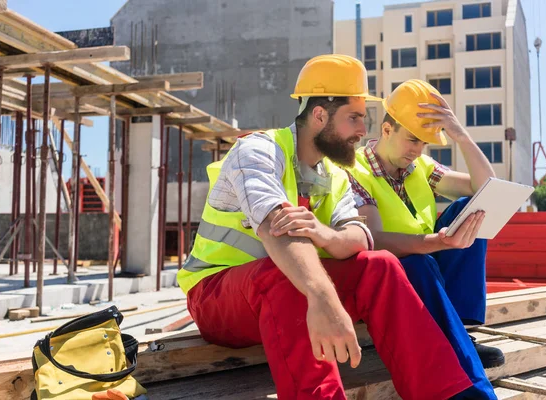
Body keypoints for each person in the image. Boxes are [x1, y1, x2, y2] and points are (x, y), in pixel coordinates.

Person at [177, 56, 485, 399]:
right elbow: (278, 236)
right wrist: (325, 298)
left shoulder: (335, 174)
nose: (362, 131)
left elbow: (359, 239)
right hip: (217, 296)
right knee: (288, 271)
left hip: (286, 292)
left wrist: (325, 235)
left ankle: (449, 395)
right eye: (354, 118)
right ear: (319, 115)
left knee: (380, 265)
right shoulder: (258, 151)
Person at [347, 78, 504, 391]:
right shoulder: (354, 170)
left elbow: (486, 187)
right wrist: (434, 243)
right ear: (387, 129)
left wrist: (461, 135)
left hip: (427, 265)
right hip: (392, 280)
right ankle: (453, 348)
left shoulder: (420, 166)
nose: (417, 150)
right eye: (412, 140)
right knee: (420, 264)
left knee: (470, 208)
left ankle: (459, 330)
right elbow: (373, 238)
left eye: (423, 143)